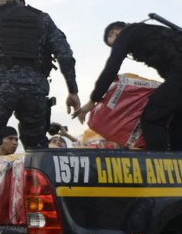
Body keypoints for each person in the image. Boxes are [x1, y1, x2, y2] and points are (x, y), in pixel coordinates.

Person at [0, 0, 80, 230]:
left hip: (0, 85)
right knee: (36, 148)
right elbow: (65, 55)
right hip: (35, 88)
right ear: (21, 1)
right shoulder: (42, 19)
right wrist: (73, 91)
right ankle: (42, 214)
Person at [75, 21, 182, 150]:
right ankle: (178, 160)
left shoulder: (126, 33)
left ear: (114, 33)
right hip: (176, 73)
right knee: (175, 117)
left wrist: (93, 100)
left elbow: (111, 68)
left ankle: (161, 162)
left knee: (152, 116)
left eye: (112, 44)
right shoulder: (155, 34)